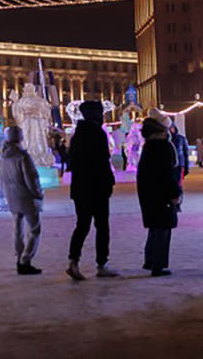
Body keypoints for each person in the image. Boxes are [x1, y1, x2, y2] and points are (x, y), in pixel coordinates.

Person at [66, 100, 119, 280]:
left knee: (82, 225)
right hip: (97, 187)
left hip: (80, 188)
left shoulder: (77, 135)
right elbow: (102, 161)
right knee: (102, 226)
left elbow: (73, 163)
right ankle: (102, 263)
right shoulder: (98, 134)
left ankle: (73, 260)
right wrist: (108, 182)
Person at [137, 117, 182, 276]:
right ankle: (158, 264)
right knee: (163, 228)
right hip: (163, 194)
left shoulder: (148, 147)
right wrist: (174, 193)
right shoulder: (163, 147)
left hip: (148, 193)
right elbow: (168, 173)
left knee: (154, 227)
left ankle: (150, 260)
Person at [0, 126, 44, 275]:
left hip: (12, 197)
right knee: (34, 229)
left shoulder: (3, 157)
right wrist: (39, 194)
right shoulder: (23, 157)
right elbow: (32, 179)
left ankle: (19, 257)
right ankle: (26, 259)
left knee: (17, 229)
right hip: (26, 197)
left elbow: (1, 178)